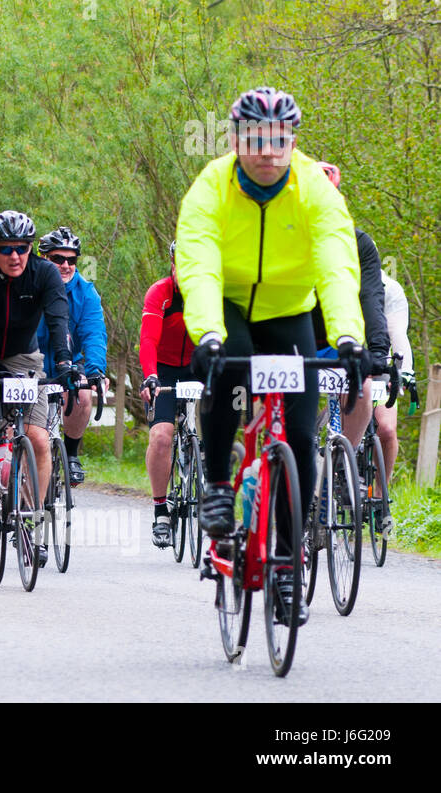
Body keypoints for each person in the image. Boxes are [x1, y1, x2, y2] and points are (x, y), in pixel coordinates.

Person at [177, 86, 366, 626]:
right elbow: (199, 263)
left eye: (278, 141)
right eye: (255, 140)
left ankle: (288, 559)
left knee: (302, 436)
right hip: (229, 305)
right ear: (236, 139)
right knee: (226, 369)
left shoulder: (315, 189)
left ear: (292, 142)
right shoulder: (210, 187)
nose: (266, 152)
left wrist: (350, 339)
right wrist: (207, 335)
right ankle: (217, 484)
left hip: (289, 311)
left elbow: (336, 261)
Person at [0, 210, 79, 569]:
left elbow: (57, 320)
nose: (15, 256)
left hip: (23, 357)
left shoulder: (45, 273)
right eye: (6, 249)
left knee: (38, 439)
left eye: (22, 248)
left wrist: (66, 363)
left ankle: (31, 521)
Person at [309, 162, 391, 449]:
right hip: (296, 339)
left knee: (363, 389)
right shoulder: (288, 238)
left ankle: (342, 465)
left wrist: (379, 349)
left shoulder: (359, 244)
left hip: (339, 339)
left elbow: (370, 296)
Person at [36, 226, 108, 486]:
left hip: (70, 361)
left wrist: (96, 370)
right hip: (32, 360)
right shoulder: (30, 285)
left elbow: (94, 333)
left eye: (72, 260)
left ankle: (71, 453)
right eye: (58, 259)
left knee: (83, 393)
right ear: (43, 258)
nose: (66, 265)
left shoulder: (86, 292)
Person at [139, 241, 194, 549]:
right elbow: (148, 340)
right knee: (161, 436)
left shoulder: (212, 292)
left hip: (200, 365)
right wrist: (150, 376)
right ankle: (161, 510)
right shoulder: (160, 293)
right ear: (172, 265)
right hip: (164, 368)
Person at [379, 271, 415, 476]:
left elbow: (398, 334)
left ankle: (380, 495)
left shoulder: (390, 289)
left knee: (386, 429)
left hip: (379, 360)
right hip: (341, 361)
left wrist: (403, 372)